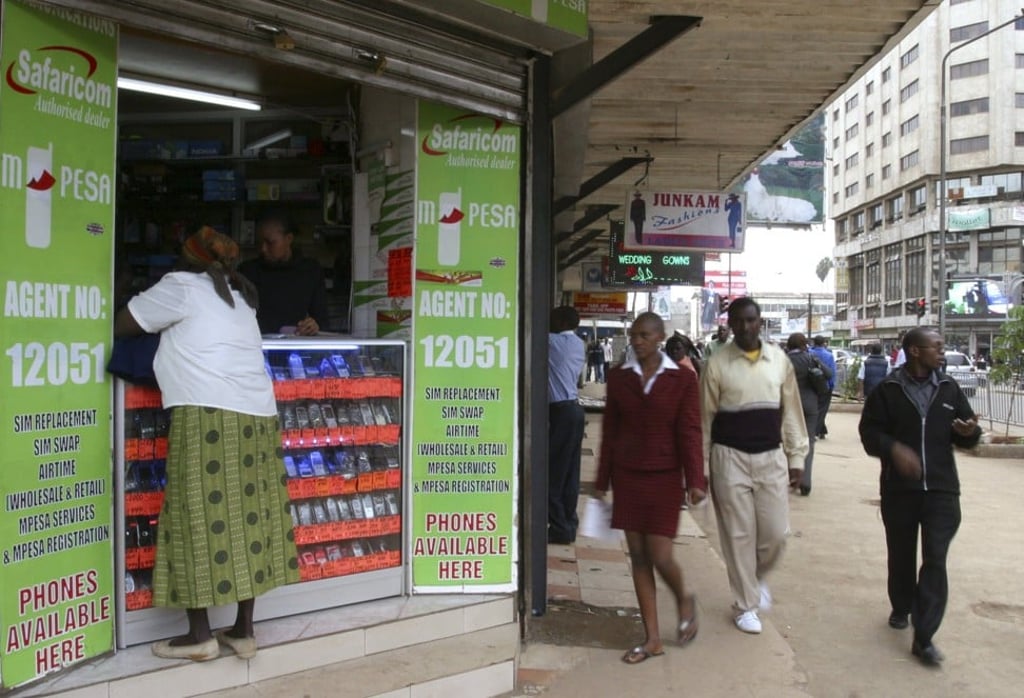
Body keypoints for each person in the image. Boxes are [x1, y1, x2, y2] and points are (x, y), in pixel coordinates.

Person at [114, 226, 299, 662]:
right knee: (250, 517)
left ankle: (199, 636)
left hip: (206, 413)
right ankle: (244, 630)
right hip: (257, 415)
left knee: (193, 514)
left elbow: (124, 323)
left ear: (189, 258)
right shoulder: (242, 297)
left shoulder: (180, 287)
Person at [858, 328, 981, 667]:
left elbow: (967, 432)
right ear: (914, 351)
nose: (942, 351)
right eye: (936, 346)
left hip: (942, 489)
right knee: (901, 553)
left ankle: (924, 636)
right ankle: (901, 605)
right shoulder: (888, 389)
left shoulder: (949, 388)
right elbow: (869, 434)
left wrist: (970, 433)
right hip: (900, 489)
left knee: (936, 559)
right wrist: (894, 450)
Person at [595, 312, 706, 664]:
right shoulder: (618, 378)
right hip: (628, 477)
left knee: (660, 555)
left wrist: (696, 481)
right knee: (639, 557)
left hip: (664, 477)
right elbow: (610, 430)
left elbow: (690, 431)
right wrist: (602, 480)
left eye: (644, 335)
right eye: (634, 335)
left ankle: (684, 597)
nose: (637, 341)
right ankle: (652, 638)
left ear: (660, 337)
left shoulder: (682, 380)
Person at [701, 297, 808, 634]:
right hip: (728, 458)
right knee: (738, 535)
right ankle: (745, 605)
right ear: (730, 324)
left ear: (760, 322)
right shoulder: (716, 364)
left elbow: (791, 411)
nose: (745, 328)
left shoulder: (779, 361)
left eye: (751, 320)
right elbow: (704, 419)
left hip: (770, 458)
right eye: (738, 322)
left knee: (776, 534)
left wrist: (796, 457)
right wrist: (699, 468)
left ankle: (756, 577)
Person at [239, 212, 328, 335]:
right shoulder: (248, 271)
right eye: (260, 243)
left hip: (296, 345)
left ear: (289, 239)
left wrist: (312, 325)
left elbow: (322, 320)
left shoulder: (310, 271)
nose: (263, 249)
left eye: (270, 243)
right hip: (255, 344)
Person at [548, 306, 587, 544]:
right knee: (570, 473)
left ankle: (560, 527)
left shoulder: (553, 343)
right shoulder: (577, 344)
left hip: (560, 412)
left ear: (560, 321)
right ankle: (569, 524)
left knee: (553, 473)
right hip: (574, 410)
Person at [785, 333, 830, 496]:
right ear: (804, 344)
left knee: (789, 439)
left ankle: (793, 476)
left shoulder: (784, 360)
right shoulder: (811, 358)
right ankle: (806, 482)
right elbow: (829, 374)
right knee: (808, 441)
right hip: (810, 404)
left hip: (789, 404)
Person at [809, 336, 837, 439]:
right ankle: (815, 431)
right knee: (822, 409)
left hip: (811, 384)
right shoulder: (829, 355)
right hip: (825, 385)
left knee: (816, 407)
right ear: (824, 343)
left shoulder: (809, 353)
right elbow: (832, 372)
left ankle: (822, 430)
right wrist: (831, 385)